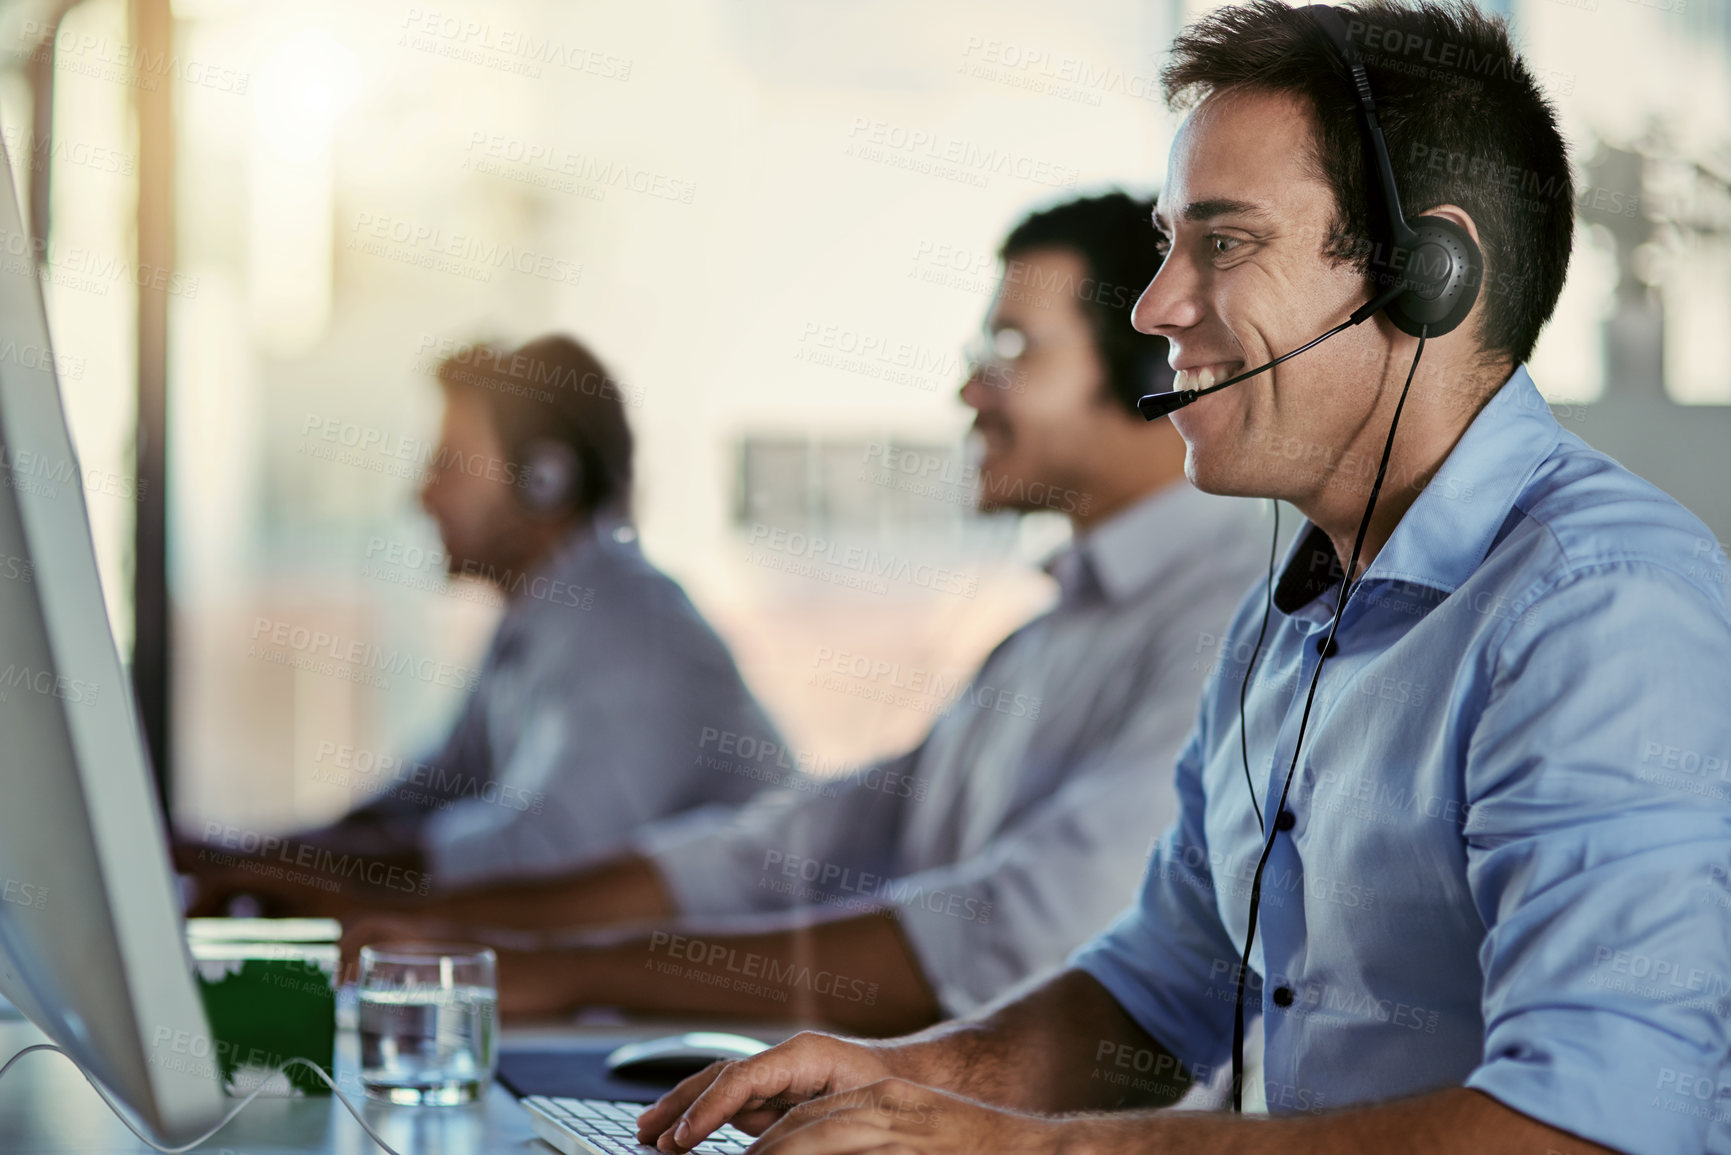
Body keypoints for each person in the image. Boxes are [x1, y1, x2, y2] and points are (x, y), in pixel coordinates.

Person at [631, 3, 1731, 1154]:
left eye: (1224, 243)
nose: (1154, 308)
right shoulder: (1289, 616)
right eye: (1169, 244)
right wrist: (897, 1087)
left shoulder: (1599, 606)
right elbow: (1157, 991)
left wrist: (1027, 1148)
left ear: (1427, 276)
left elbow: (1591, 1129)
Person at [341, 191, 1271, 1035]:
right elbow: (786, 846)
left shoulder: (1228, 619)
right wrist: (473, 935)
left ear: (1154, 362)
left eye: (1011, 352)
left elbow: (1009, 929)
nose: (967, 393)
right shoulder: (1051, 632)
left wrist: (567, 969)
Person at [182, 335, 783, 908]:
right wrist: (250, 858)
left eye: (449, 464)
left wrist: (288, 873)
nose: (422, 496)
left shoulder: (636, 633)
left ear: (545, 481)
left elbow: (539, 863)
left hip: (739, 1012)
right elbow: (424, 798)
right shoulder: (538, 621)